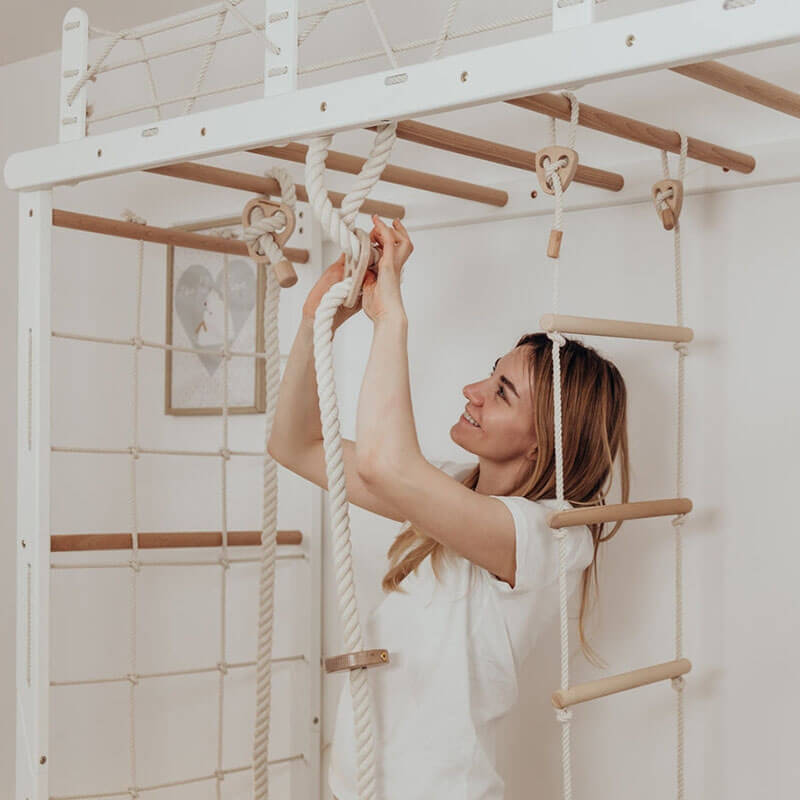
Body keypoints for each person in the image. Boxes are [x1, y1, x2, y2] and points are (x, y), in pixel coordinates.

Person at [267, 215, 631, 800]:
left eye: (503, 392)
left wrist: (392, 317)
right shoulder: (446, 492)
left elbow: (386, 465)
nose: (474, 391)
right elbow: (295, 444)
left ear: (547, 440)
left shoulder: (553, 536)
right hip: (353, 787)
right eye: (491, 374)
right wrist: (318, 322)